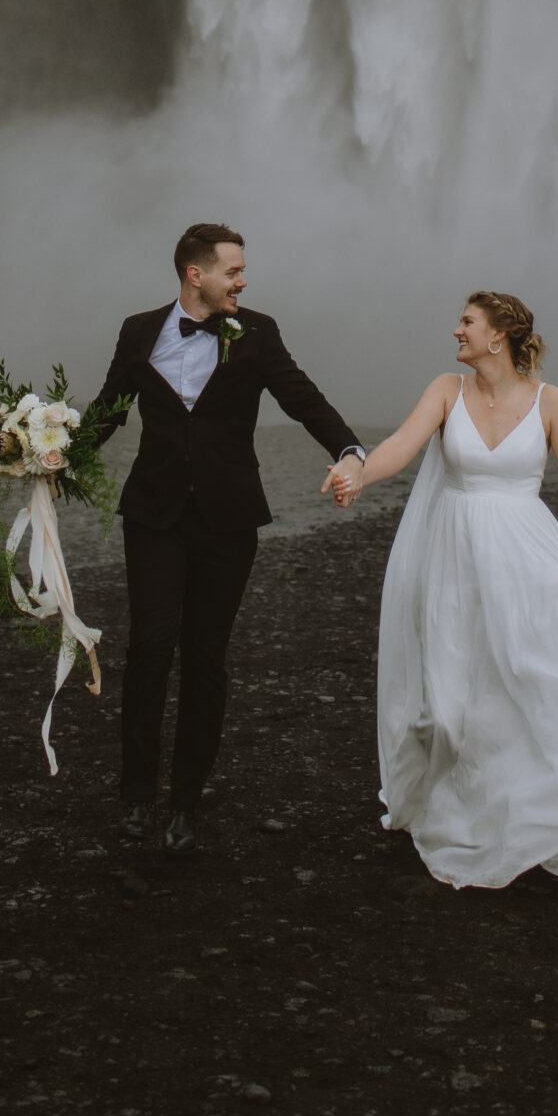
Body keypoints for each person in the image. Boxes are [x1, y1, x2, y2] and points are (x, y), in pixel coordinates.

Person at [325, 290, 558, 889]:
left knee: (544, 676)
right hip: (455, 564)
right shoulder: (446, 390)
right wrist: (358, 472)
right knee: (450, 702)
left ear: (499, 336)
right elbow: (400, 446)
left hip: (528, 560)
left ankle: (554, 805)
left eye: (467, 323)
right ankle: (466, 806)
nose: (456, 332)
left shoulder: (550, 401)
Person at [89, 223, 365, 856]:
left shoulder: (258, 332)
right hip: (154, 515)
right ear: (196, 275)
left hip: (228, 521)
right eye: (233, 272)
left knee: (206, 659)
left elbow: (302, 398)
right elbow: (108, 410)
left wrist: (349, 451)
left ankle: (185, 802)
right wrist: (52, 458)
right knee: (151, 647)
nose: (244, 281)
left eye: (242, 272)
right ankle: (136, 797)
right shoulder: (138, 331)